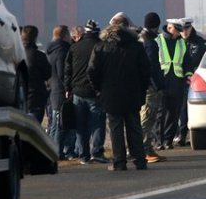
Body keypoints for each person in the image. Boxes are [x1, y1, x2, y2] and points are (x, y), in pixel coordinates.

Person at [88, 12, 150, 171]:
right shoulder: (136, 46)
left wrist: (99, 89)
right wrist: (142, 89)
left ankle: (119, 161)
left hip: (110, 93)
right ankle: (139, 160)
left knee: (115, 128)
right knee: (134, 127)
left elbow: (92, 71)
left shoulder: (101, 47)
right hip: (132, 92)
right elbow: (145, 71)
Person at [64, 19, 107, 164]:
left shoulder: (74, 48)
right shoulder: (102, 47)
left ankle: (83, 155)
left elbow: (68, 71)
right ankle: (97, 152)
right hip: (95, 92)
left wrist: (67, 88)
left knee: (80, 126)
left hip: (77, 91)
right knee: (97, 123)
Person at [157, 18, 193, 150]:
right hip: (162, 81)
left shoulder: (181, 43)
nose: (179, 33)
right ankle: (159, 141)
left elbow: (187, 62)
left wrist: (188, 75)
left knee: (174, 113)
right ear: (170, 28)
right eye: (177, 31)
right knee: (160, 114)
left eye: (180, 31)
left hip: (177, 81)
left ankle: (168, 140)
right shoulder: (158, 41)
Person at [139, 12, 167, 163]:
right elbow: (151, 67)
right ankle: (143, 150)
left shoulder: (140, 38)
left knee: (146, 118)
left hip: (142, 86)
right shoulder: (149, 42)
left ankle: (147, 148)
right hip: (150, 88)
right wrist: (157, 85)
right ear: (156, 26)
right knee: (147, 119)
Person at [176, 18, 206, 147]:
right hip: (179, 80)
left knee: (190, 109)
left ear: (190, 28)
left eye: (186, 29)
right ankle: (179, 135)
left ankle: (188, 135)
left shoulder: (200, 41)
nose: (184, 32)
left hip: (195, 81)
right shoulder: (176, 42)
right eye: (182, 30)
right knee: (179, 109)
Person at [46, 24, 74, 160]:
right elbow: (63, 73)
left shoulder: (50, 51)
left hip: (53, 91)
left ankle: (51, 149)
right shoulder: (62, 51)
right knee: (60, 123)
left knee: (55, 122)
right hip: (61, 92)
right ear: (64, 35)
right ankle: (56, 151)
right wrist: (68, 88)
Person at [21, 25, 51, 125]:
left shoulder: (16, 55)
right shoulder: (39, 56)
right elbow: (48, 74)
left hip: (19, 99)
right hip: (36, 98)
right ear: (35, 37)